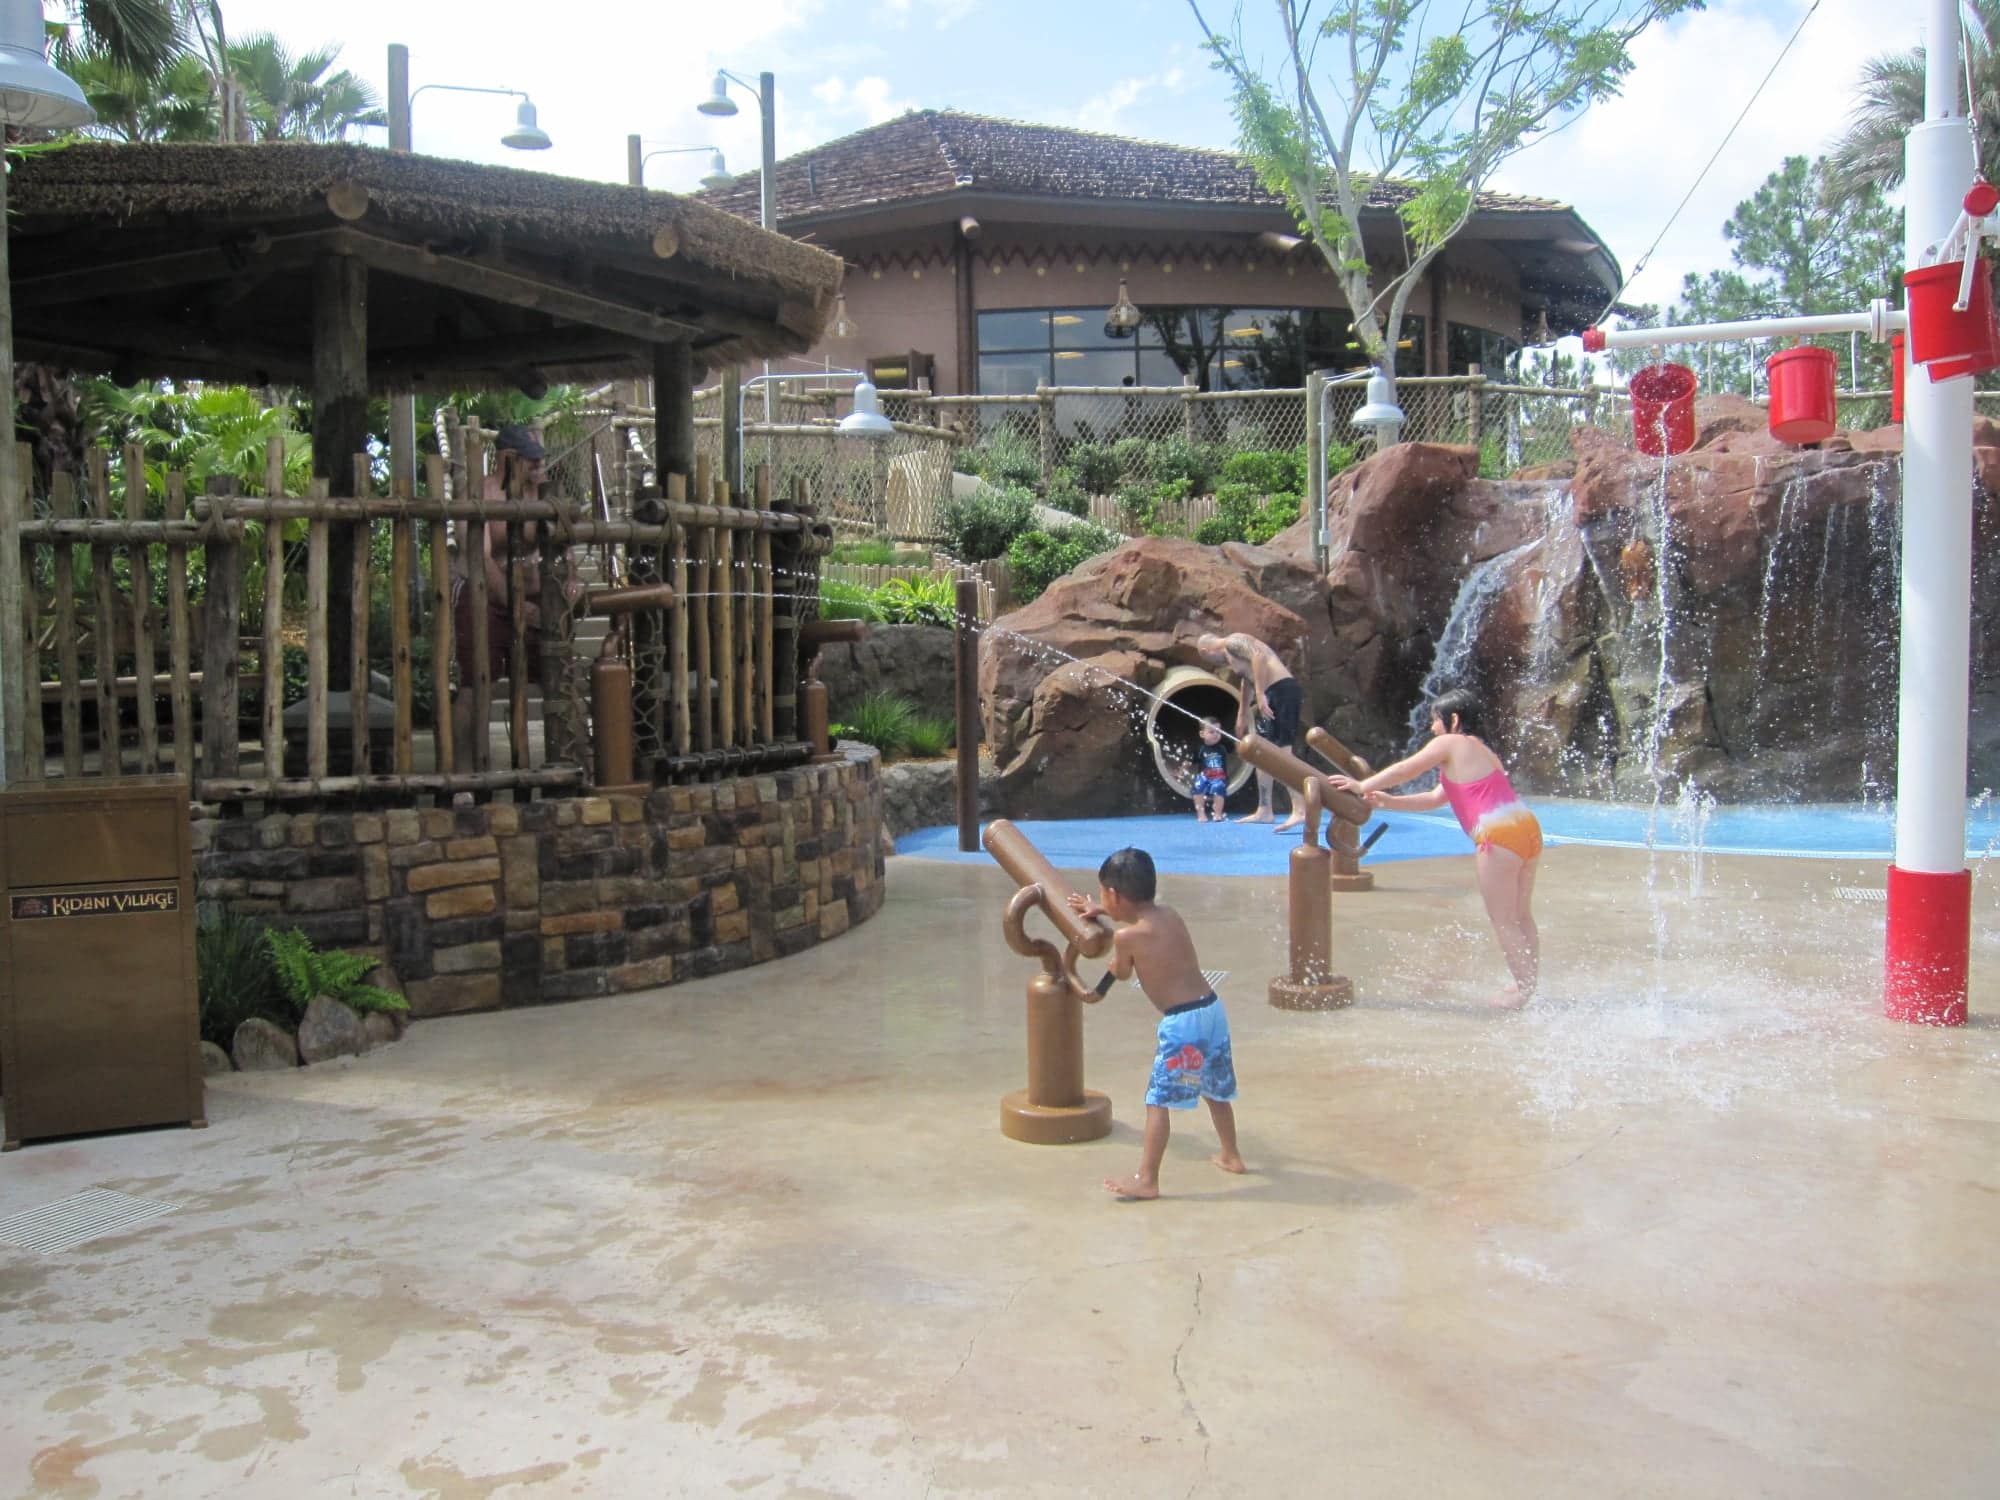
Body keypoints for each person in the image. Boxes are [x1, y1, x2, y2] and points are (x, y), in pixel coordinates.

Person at [1329, 687, 1542, 1007]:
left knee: (1504, 919)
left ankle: (1525, 992)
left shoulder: (1450, 743)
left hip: (1498, 836)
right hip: (1526, 829)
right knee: (1521, 915)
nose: (1431, 729)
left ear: (1454, 720)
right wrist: (1388, 801)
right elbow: (1434, 799)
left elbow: (1406, 769)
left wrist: (1363, 785)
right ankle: (1527, 981)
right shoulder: (1483, 751)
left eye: (1435, 722)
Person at [1068, 847, 1245, 1200]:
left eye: (1103, 895)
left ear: (1115, 895)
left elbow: (1121, 970)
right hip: (1211, 1010)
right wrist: (1102, 909)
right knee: (1215, 1089)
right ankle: (1231, 1154)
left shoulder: (1125, 938)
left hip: (1182, 1025)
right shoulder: (1170, 915)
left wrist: (1112, 964)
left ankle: (1147, 1178)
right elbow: (1140, 919)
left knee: (1158, 1101)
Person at [450, 424, 576, 772]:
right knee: (475, 685)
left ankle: (571, 762)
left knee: (560, 677)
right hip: (484, 599)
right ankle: (463, 775)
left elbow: (565, 548)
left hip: (539, 598)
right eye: (530, 461)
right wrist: (517, 605)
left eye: (541, 460)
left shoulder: (547, 495)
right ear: (507, 459)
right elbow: (481, 558)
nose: (539, 467)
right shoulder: (478, 496)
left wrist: (570, 582)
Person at [1196, 632, 1302, 828]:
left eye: (1209, 660)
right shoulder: (1234, 658)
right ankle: (1264, 810)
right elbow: (1247, 679)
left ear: (1207, 651)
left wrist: (1261, 694)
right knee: (1261, 754)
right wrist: (1242, 714)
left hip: (1281, 691)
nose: (1216, 664)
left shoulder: (1232, 642)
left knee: (1282, 751)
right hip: (1272, 692)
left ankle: (1300, 809)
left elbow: (1259, 657)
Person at [1189, 718, 1229, 823]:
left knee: (1219, 786)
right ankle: (1201, 814)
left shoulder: (1222, 748)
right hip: (1204, 776)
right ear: (1202, 734)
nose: (1216, 734)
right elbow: (1190, 762)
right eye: (1211, 732)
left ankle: (1218, 814)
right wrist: (1180, 771)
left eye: (1218, 731)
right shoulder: (1200, 749)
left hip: (1218, 775)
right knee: (1198, 786)